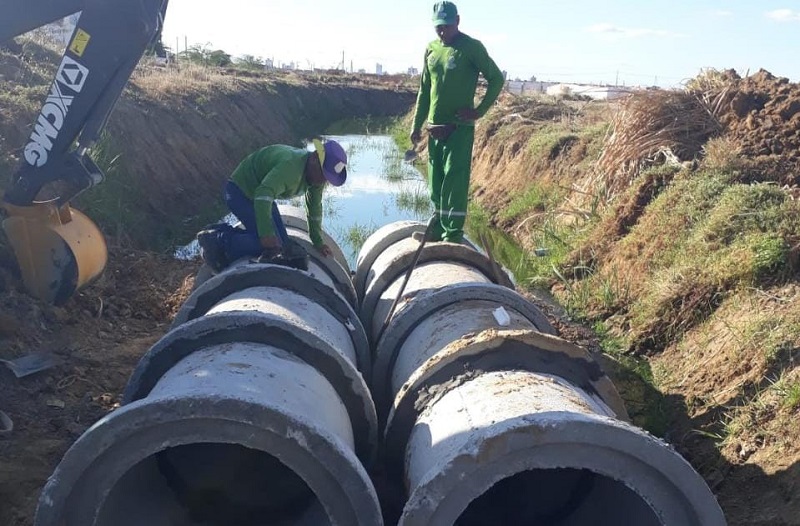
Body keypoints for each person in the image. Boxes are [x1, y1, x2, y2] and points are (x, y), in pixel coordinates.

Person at [410, 1, 504, 243]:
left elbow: (495, 79)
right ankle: (437, 228)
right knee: (436, 182)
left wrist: (479, 110)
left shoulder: (471, 48)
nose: (442, 31)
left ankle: (452, 235)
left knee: (455, 180)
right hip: (434, 129)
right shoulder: (431, 49)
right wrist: (416, 125)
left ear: (457, 21)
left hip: (459, 129)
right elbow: (424, 90)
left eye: (447, 26)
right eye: (438, 27)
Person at [197, 139, 347, 272]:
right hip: (240, 192)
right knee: (265, 244)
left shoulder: (317, 177)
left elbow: (314, 207)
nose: (323, 181)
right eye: (324, 174)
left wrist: (317, 240)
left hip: (261, 195)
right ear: (315, 158)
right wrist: (266, 234)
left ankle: (226, 233)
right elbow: (262, 195)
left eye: (328, 178)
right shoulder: (291, 168)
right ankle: (216, 239)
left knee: (284, 245)